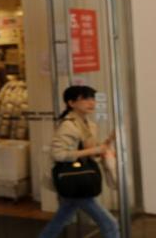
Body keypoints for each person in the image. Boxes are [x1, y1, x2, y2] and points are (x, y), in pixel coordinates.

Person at [38, 85, 119, 238]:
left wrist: (107, 143)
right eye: (85, 99)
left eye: (92, 98)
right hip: (75, 179)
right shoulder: (68, 125)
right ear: (71, 103)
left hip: (77, 181)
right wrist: (94, 151)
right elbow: (58, 154)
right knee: (110, 224)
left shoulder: (89, 125)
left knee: (61, 219)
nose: (91, 102)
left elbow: (90, 150)